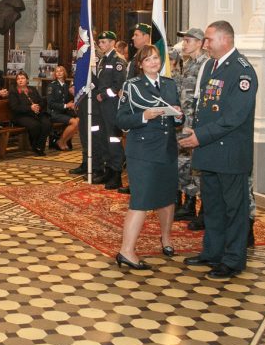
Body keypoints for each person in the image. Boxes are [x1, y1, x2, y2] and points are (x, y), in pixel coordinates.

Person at [178, 21, 258, 280]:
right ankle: (212, 252)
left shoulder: (241, 71)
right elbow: (205, 105)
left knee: (234, 209)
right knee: (212, 206)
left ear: (225, 39)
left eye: (209, 39)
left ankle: (233, 260)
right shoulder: (211, 65)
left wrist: (199, 137)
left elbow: (234, 117)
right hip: (209, 150)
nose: (205, 44)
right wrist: (196, 133)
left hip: (229, 153)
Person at [114, 45, 183, 270]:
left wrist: (178, 117)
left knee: (167, 198)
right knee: (141, 201)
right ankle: (126, 250)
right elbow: (121, 120)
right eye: (148, 59)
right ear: (140, 64)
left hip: (167, 149)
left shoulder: (170, 84)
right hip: (142, 152)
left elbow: (177, 117)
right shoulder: (132, 86)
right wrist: (143, 116)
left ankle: (166, 239)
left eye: (156, 58)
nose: (153, 62)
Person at [71, 31, 126, 188]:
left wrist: (104, 95)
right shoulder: (103, 60)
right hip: (101, 106)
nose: (100, 45)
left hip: (111, 105)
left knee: (113, 139)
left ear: (112, 43)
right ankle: (108, 169)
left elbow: (118, 85)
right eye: (100, 42)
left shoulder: (117, 60)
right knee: (103, 137)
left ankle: (116, 173)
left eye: (103, 42)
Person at [173, 28, 208, 222]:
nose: (184, 44)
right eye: (184, 40)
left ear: (200, 42)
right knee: (182, 164)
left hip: (195, 124)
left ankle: (201, 207)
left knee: (197, 167)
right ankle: (186, 201)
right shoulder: (187, 64)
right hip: (182, 122)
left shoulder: (206, 65)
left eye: (188, 40)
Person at [8, 72, 51, 156]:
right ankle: (35, 145)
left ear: (27, 80)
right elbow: (15, 107)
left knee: (47, 123)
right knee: (35, 125)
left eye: (22, 78)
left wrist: (38, 106)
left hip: (36, 113)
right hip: (21, 116)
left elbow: (41, 101)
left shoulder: (32, 89)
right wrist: (30, 108)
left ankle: (39, 145)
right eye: (18, 79)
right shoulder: (13, 91)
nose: (20, 80)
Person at [46, 65, 79, 151]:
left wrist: (71, 103)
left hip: (63, 112)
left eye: (61, 71)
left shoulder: (65, 85)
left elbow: (67, 100)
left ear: (64, 73)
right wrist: (65, 105)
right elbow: (50, 103)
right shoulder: (52, 86)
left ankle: (64, 141)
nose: (59, 73)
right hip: (54, 112)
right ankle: (61, 141)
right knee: (74, 122)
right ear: (55, 74)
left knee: (79, 120)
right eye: (57, 71)